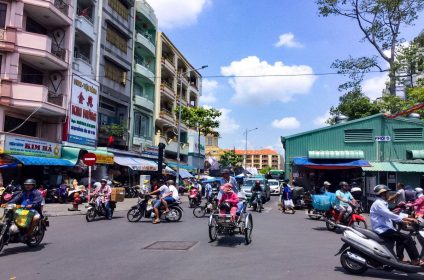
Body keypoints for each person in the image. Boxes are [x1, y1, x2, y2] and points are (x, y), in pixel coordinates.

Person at [370, 184, 423, 265]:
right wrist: (404, 220)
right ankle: (415, 260)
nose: (389, 194)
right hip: (382, 230)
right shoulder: (378, 204)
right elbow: (389, 215)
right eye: (388, 192)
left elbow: (392, 214)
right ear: (383, 193)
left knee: (401, 237)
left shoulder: (382, 203)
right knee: (407, 238)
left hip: (386, 228)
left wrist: (408, 216)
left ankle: (400, 258)